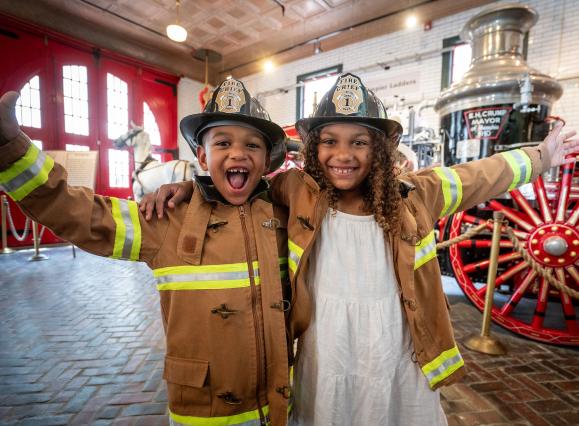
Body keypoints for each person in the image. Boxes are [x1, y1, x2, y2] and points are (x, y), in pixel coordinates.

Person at [140, 73, 579, 425]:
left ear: (381, 150)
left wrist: (540, 157)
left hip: (396, 352)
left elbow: (477, 176)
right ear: (314, 149)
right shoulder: (295, 190)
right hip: (325, 352)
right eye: (329, 141)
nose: (342, 154)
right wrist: (191, 188)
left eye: (359, 142)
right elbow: (239, 182)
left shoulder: (415, 195)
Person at [0, 79, 309, 426]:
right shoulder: (164, 219)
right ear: (203, 156)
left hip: (279, 409)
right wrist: (12, 150)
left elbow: (324, 185)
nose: (238, 153)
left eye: (253, 145)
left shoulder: (283, 217)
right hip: (204, 413)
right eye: (223, 142)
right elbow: (79, 214)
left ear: (268, 160)